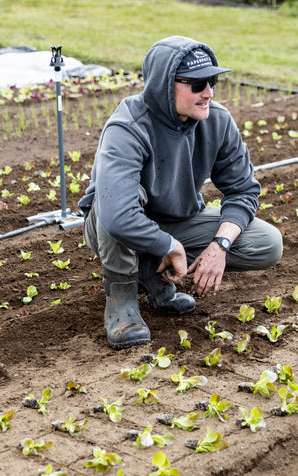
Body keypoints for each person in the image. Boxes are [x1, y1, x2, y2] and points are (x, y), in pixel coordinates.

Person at [79, 36, 283, 349]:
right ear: (165, 84)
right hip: (113, 227)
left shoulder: (217, 121)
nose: (209, 93)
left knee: (267, 243)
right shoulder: (129, 126)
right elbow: (117, 215)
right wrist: (168, 244)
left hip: (176, 221)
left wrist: (220, 245)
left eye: (212, 81)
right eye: (198, 84)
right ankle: (121, 300)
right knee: (122, 200)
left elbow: (243, 190)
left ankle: (151, 275)